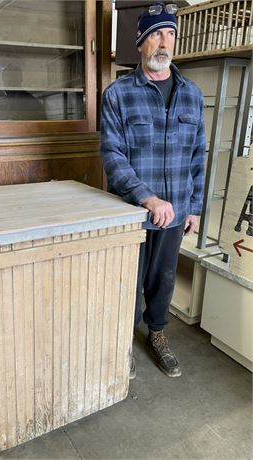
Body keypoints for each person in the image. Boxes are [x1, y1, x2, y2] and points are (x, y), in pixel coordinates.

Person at [100, 2, 206, 378]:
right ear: (141, 42)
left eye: (171, 34)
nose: (165, 42)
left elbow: (197, 155)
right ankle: (122, 341)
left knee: (162, 279)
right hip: (132, 212)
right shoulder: (117, 94)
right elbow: (113, 156)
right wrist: (147, 197)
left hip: (175, 210)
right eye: (157, 34)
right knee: (126, 281)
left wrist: (193, 207)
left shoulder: (192, 95)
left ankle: (157, 334)